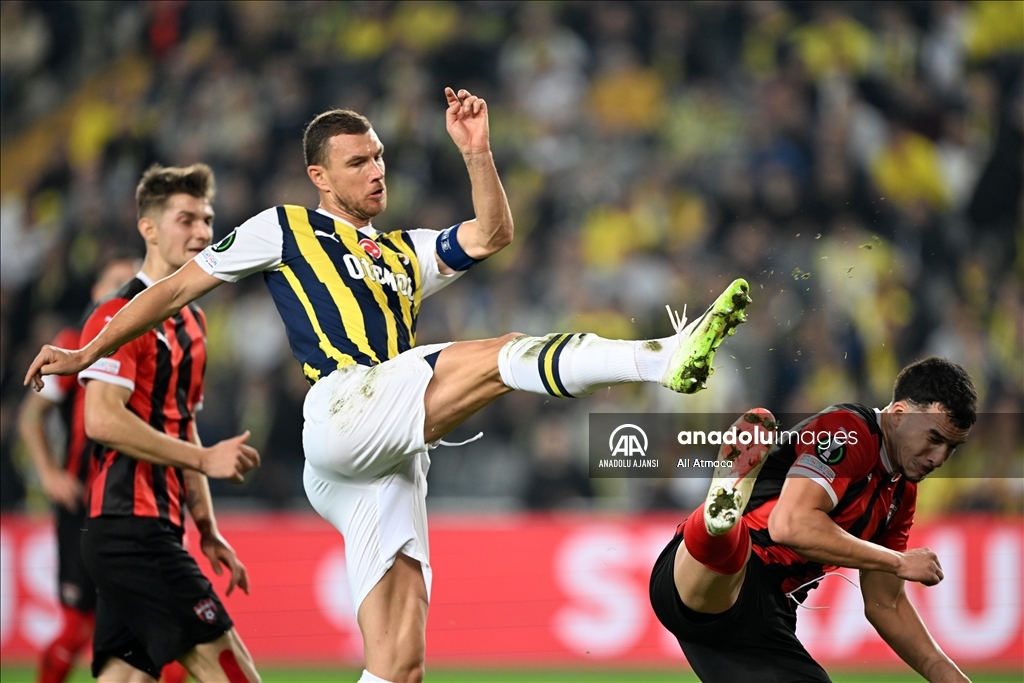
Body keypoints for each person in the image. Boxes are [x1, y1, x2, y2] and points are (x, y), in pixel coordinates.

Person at [26, 88, 752, 683]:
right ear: (320, 176)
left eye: (379, 157)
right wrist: (89, 348)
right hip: (345, 407)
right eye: (358, 161)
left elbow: (492, 234)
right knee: (502, 354)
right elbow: (175, 289)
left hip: (387, 456)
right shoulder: (284, 228)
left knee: (400, 664)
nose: (377, 171)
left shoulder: (405, 252)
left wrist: (477, 152)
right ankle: (661, 358)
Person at [649, 357, 978, 683]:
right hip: (725, 574)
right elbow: (790, 525)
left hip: (760, 621)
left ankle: (721, 516)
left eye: (952, 447)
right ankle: (720, 519)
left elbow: (886, 604)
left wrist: (948, 676)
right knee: (733, 556)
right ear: (899, 414)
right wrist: (898, 561)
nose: (939, 458)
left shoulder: (902, 494)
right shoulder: (849, 431)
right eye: (934, 439)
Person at [72, 164, 261, 683]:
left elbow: (183, 423)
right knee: (234, 671)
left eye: (208, 220)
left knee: (126, 676)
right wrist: (203, 459)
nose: (202, 232)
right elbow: (101, 420)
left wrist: (208, 527)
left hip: (157, 526)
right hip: (127, 528)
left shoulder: (193, 321)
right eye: (187, 219)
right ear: (149, 229)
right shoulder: (117, 314)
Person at [17, 254, 138, 683]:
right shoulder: (75, 343)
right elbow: (30, 417)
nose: (125, 291)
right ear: (96, 291)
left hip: (133, 505)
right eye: (116, 281)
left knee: (158, 630)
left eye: (133, 283)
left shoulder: (148, 344)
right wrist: (50, 474)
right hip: (83, 505)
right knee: (77, 627)